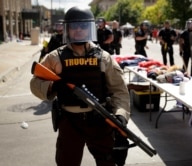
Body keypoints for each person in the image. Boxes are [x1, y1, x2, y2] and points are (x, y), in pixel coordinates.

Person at [30, 7, 130, 166]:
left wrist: (120, 116)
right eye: (74, 26)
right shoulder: (55, 57)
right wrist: (53, 86)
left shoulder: (104, 58)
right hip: (70, 123)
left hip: (100, 121)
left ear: (90, 28)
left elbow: (119, 91)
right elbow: (35, 83)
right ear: (67, 29)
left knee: (108, 162)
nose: (78, 30)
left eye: (83, 26)